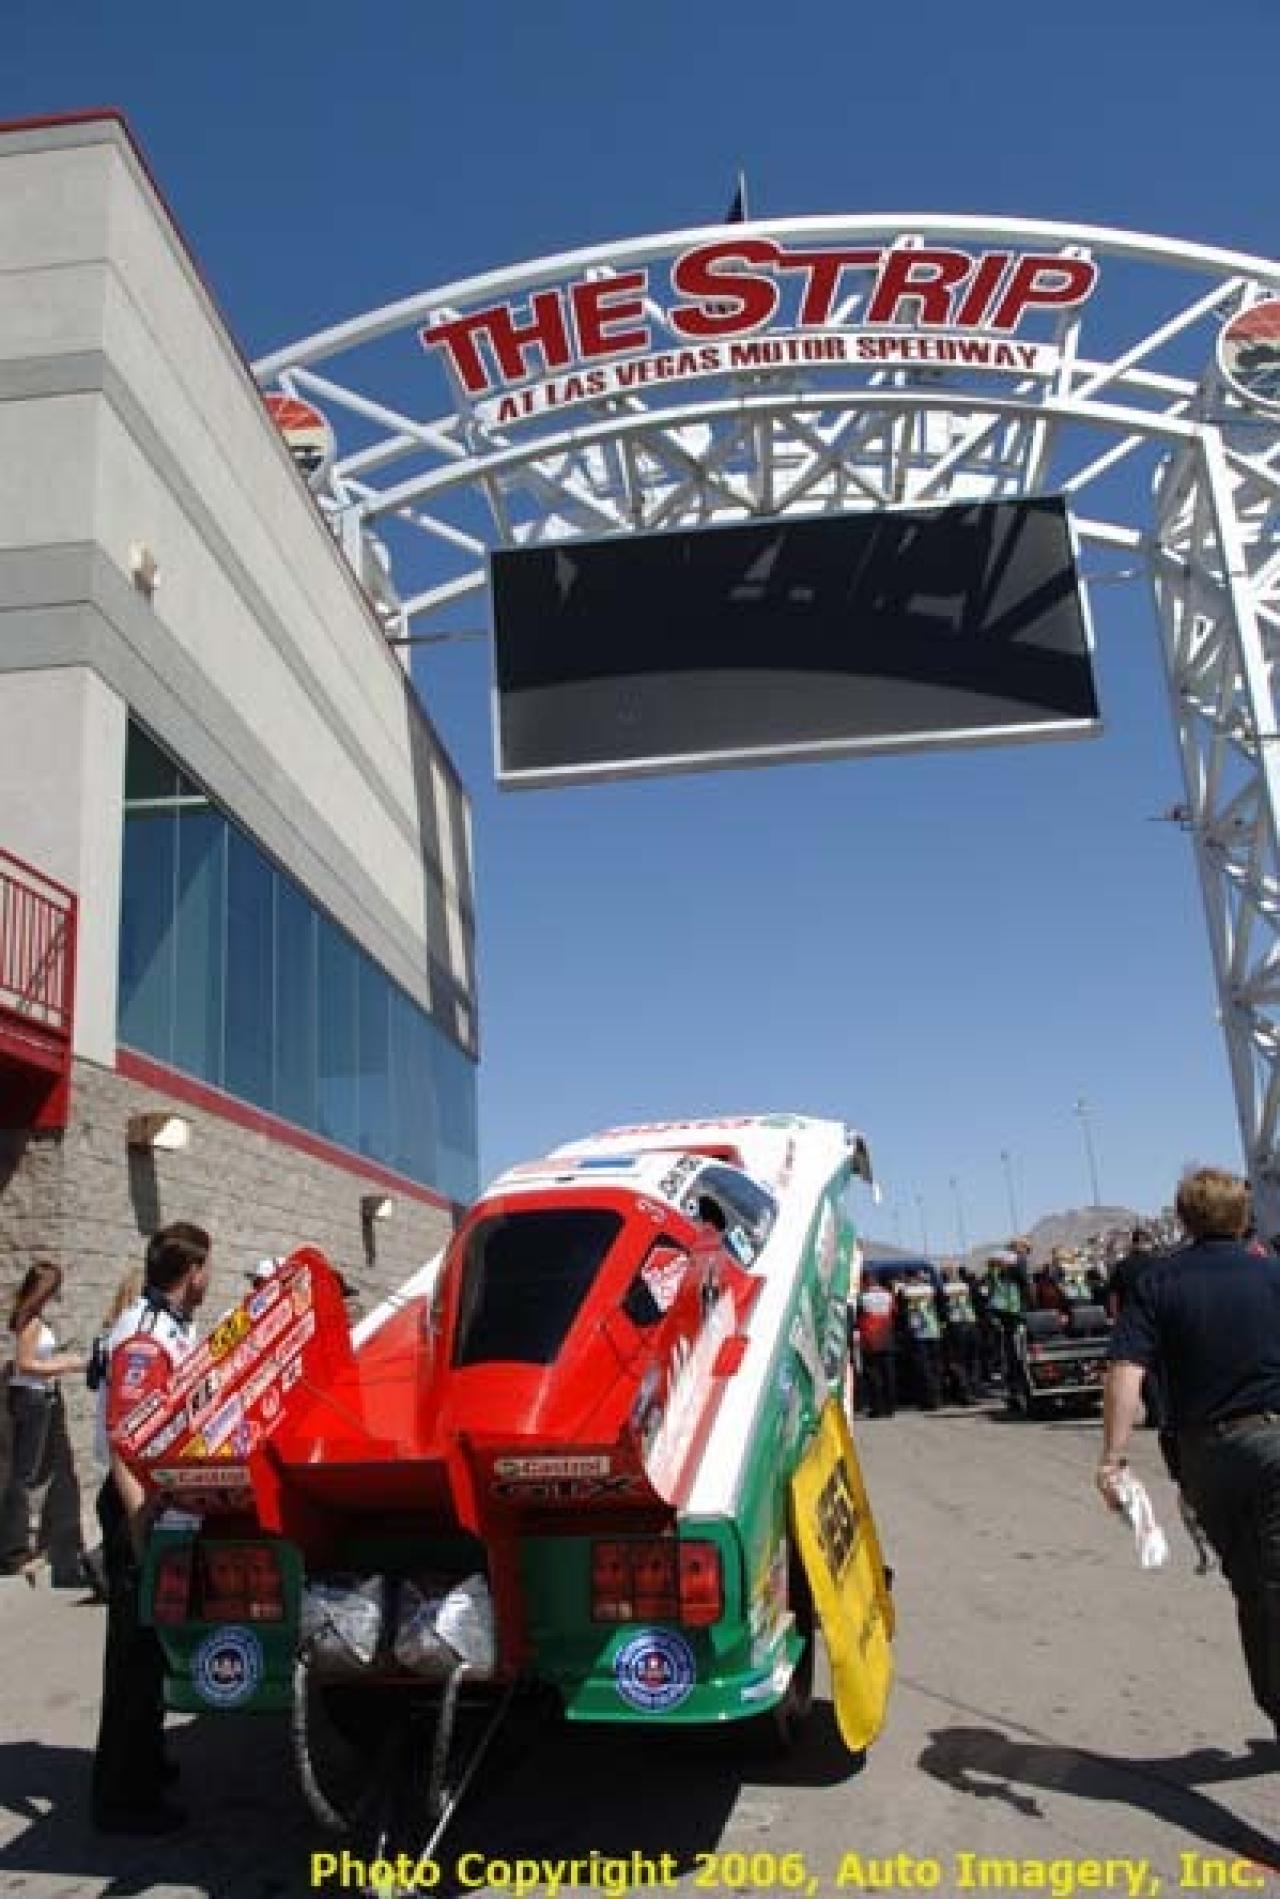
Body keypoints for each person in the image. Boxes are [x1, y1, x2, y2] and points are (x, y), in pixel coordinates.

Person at [1098, 1166, 1280, 1744]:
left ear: (1183, 1218)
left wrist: (1112, 1458)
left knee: (1252, 1588)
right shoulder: (1272, 1272)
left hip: (1203, 1459)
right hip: (1272, 1442)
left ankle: (1275, 1704)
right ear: (1243, 1215)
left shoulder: (1159, 1282)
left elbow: (1126, 1371)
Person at [92, 1221, 212, 1834]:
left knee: (154, 1647)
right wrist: (141, 1533)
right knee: (133, 1658)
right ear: (192, 1271)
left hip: (161, 1502)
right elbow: (124, 1443)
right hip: (136, 1506)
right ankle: (122, 1797)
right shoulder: (143, 1337)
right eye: (207, 1267)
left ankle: (146, 1759)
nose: (209, 1278)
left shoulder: (171, 1326)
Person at [0, 1262, 87, 1584]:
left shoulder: (31, 1319)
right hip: (31, 1399)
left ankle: (22, 1545)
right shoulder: (32, 1322)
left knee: (27, 1473)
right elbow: (25, 1365)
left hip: (35, 1397)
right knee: (23, 1475)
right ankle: (15, 1550)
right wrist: (64, 1365)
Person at [855, 1274, 898, 1417]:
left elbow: (856, 1317)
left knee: (873, 1375)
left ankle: (877, 1408)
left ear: (865, 1282)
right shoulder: (888, 1295)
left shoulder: (862, 1297)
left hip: (870, 1340)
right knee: (888, 1374)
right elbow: (894, 1313)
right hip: (886, 1337)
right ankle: (890, 1408)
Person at [938, 1266, 981, 1406]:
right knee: (973, 1360)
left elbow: (942, 1310)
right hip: (971, 1324)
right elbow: (978, 1302)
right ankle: (973, 1391)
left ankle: (965, 1393)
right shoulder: (967, 1286)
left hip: (956, 1326)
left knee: (959, 1361)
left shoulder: (943, 1289)